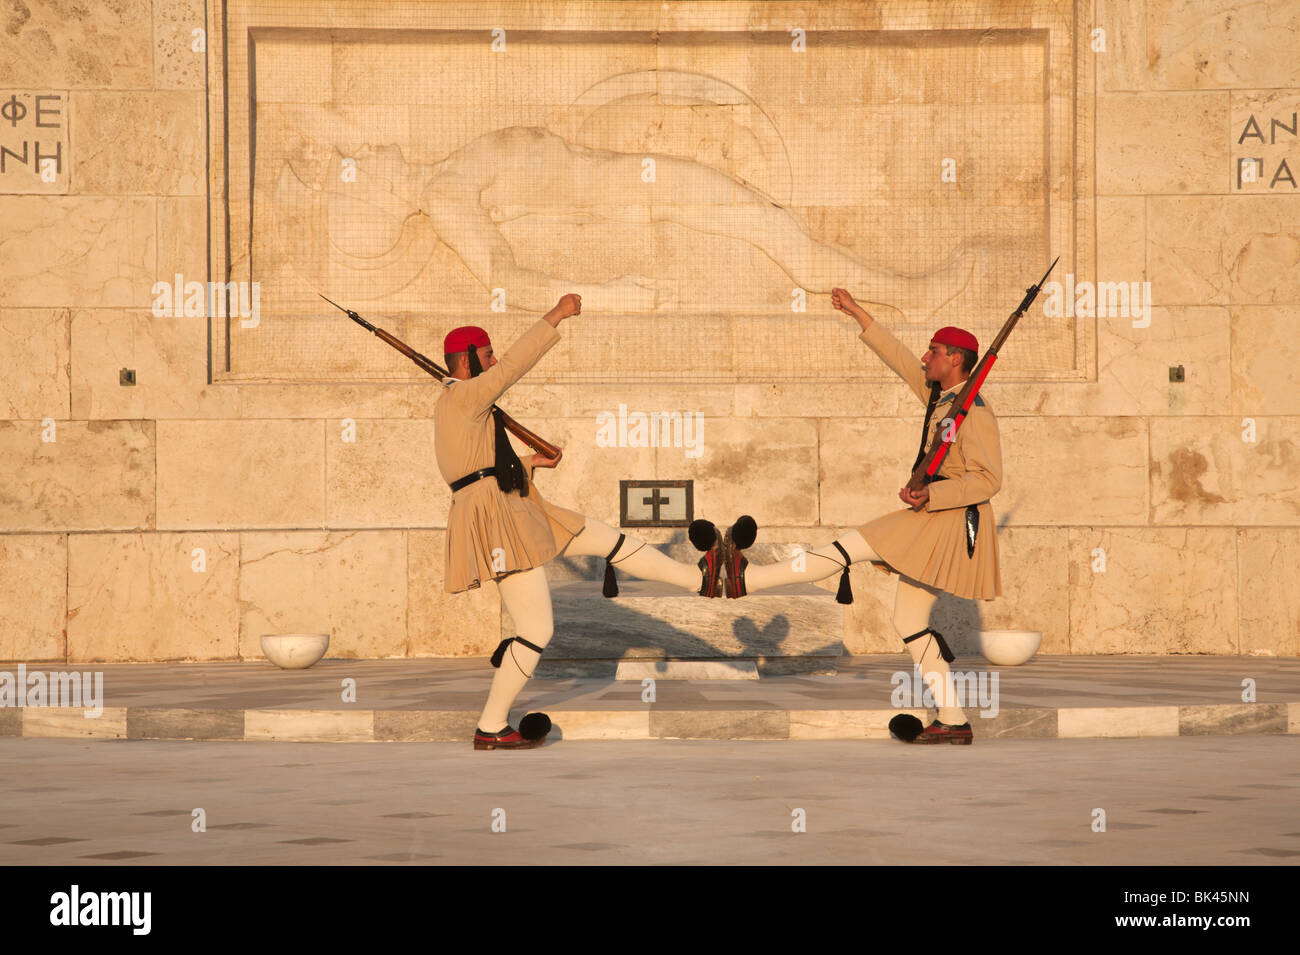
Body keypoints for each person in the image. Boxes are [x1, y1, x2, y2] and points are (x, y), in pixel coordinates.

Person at [434, 293, 726, 750]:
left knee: (605, 537)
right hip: (500, 520)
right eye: (487, 354)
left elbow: (476, 469)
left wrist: (530, 461)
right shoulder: (463, 396)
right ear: (469, 361)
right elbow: (513, 369)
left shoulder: (463, 402)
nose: (494, 361)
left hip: (517, 506)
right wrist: (555, 315)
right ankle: (491, 725)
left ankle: (700, 579)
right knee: (536, 630)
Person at [721, 287, 1003, 744]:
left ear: (955, 358)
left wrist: (932, 493)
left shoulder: (977, 411)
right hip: (935, 517)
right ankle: (953, 721)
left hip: (950, 522)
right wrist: (858, 314)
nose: (925, 357)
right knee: (909, 622)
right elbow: (899, 358)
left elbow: (988, 480)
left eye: (933, 350)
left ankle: (742, 581)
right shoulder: (942, 397)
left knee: (852, 544)